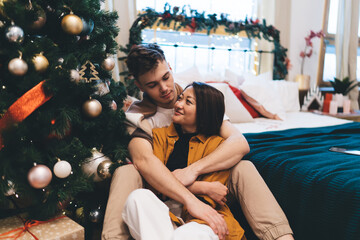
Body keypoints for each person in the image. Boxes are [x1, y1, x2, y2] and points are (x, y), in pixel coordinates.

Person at [101, 43, 294, 240]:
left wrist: (193, 171)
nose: (164, 88)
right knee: (126, 172)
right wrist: (193, 196)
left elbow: (239, 142)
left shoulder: (197, 97)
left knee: (244, 167)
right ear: (140, 86)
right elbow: (145, 163)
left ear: (170, 66)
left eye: (166, 77)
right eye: (152, 85)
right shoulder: (138, 116)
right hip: (162, 194)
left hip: (213, 183)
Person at [122, 82, 245, 240]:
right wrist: (202, 186)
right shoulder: (159, 136)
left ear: (203, 112)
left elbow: (213, 196)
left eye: (188, 102)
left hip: (202, 221)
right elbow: (152, 184)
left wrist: (169, 182)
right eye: (180, 98)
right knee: (137, 198)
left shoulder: (218, 145)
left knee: (185, 234)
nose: (178, 104)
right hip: (165, 218)